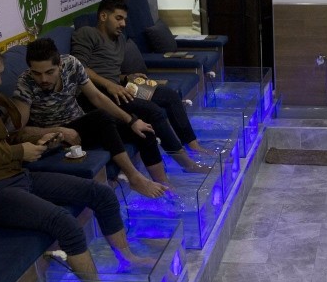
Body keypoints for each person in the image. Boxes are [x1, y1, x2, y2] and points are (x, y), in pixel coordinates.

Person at [0, 41, 153, 282]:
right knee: (65, 223)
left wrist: (40, 140)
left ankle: (127, 260)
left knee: (102, 194)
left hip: (12, 173)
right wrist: (19, 152)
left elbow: (7, 135)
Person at [14, 40, 205, 200]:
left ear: (60, 66)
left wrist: (131, 121)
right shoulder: (25, 84)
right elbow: (18, 131)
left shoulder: (71, 64)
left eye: (49, 72)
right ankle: (134, 178)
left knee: (142, 128)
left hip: (81, 125)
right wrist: (59, 131)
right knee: (101, 117)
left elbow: (97, 97)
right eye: (37, 73)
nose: (43, 79)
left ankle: (164, 184)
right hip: (57, 138)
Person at [70, 0, 214, 157]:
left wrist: (126, 77)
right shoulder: (87, 33)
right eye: (118, 18)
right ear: (103, 16)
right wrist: (109, 85)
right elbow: (79, 68)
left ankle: (193, 146)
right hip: (97, 93)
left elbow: (109, 71)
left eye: (124, 19)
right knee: (152, 110)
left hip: (120, 87)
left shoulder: (120, 39)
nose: (123, 24)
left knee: (170, 96)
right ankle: (183, 159)